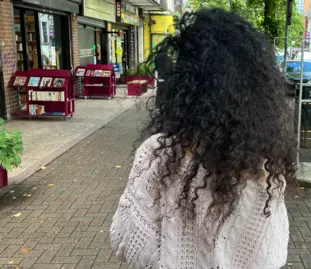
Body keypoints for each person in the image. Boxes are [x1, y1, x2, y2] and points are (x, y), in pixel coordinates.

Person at [110, 8, 297, 269]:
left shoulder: (158, 155)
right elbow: (272, 256)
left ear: (185, 80)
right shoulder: (264, 170)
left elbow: (126, 241)